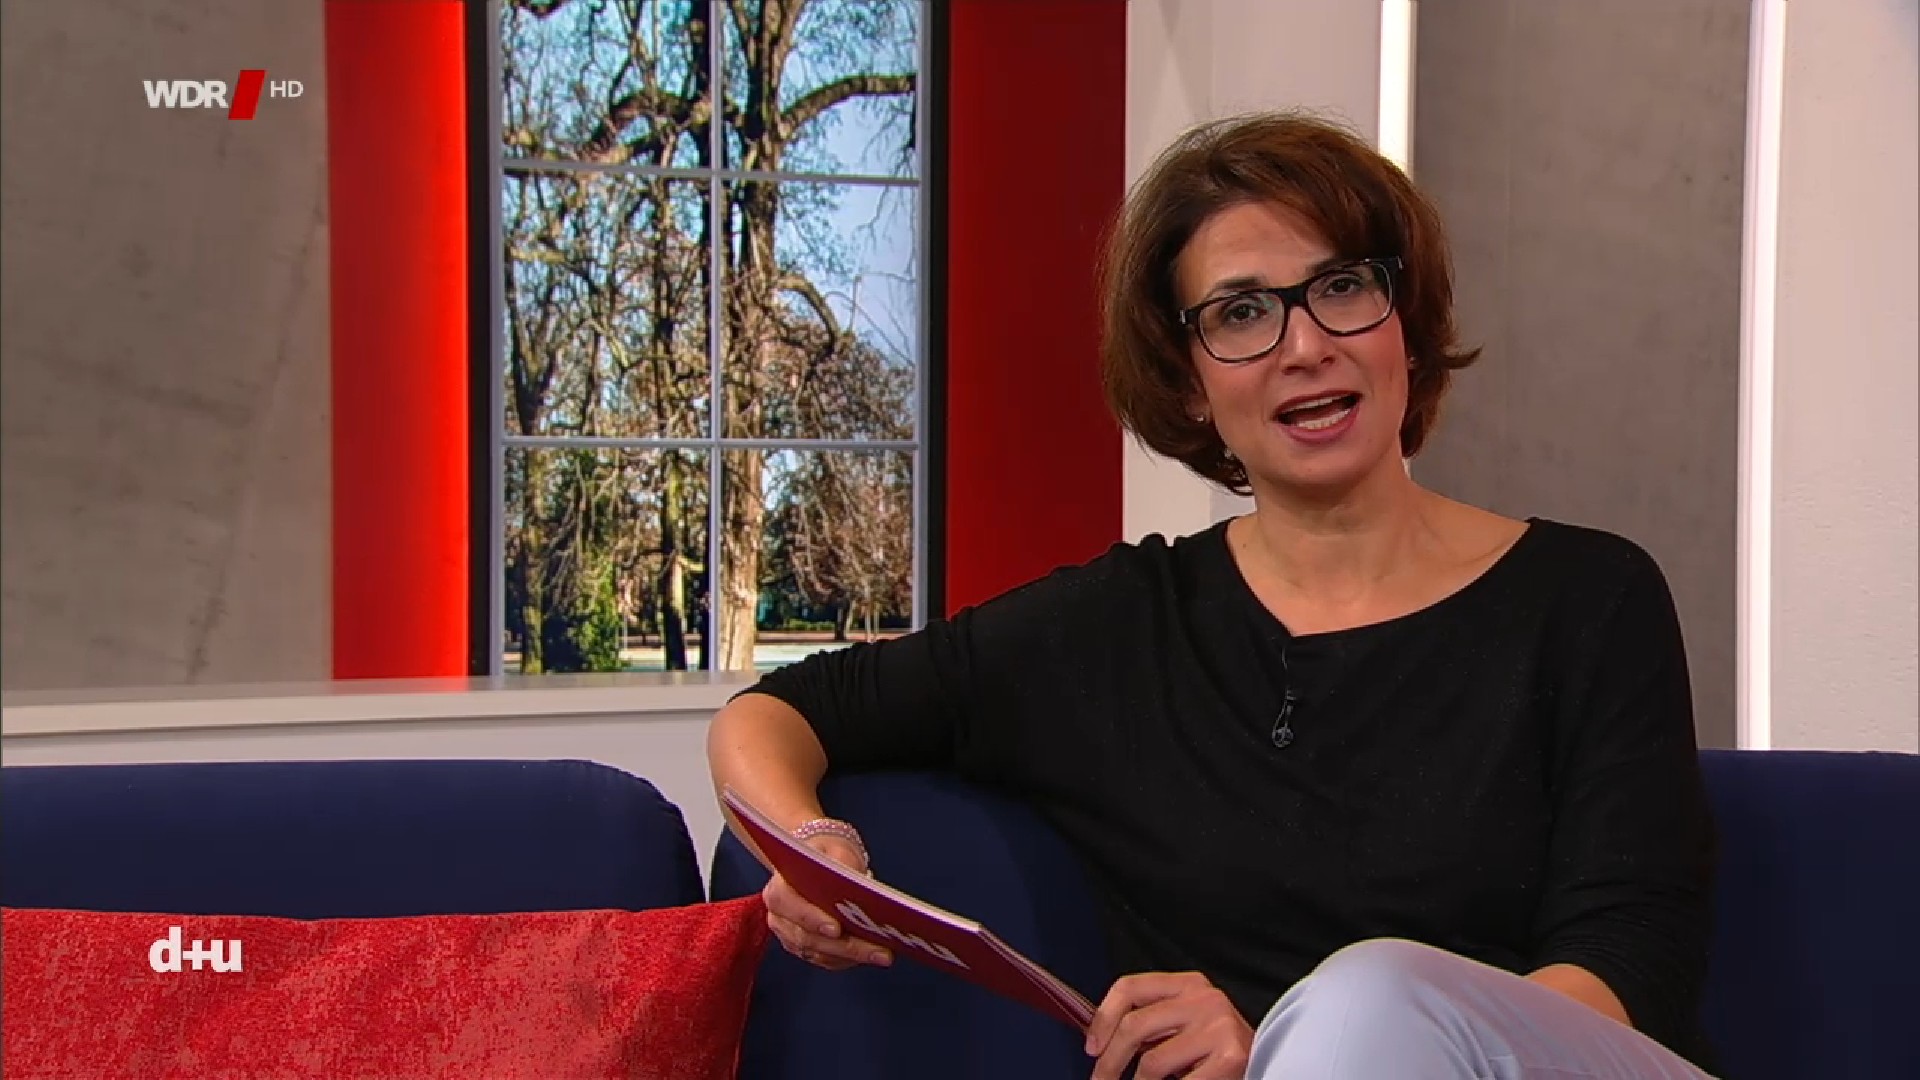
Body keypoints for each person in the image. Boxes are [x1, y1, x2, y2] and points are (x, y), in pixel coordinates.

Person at [706, 110, 1718, 1080]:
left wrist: (1291, 1044)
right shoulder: (1115, 629)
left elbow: (1628, 976)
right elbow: (779, 712)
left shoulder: (1590, 597)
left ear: (1404, 326)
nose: (1305, 345)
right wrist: (813, 851)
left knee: (1368, 996)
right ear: (1189, 382)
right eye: (1241, 312)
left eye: (1343, 286)